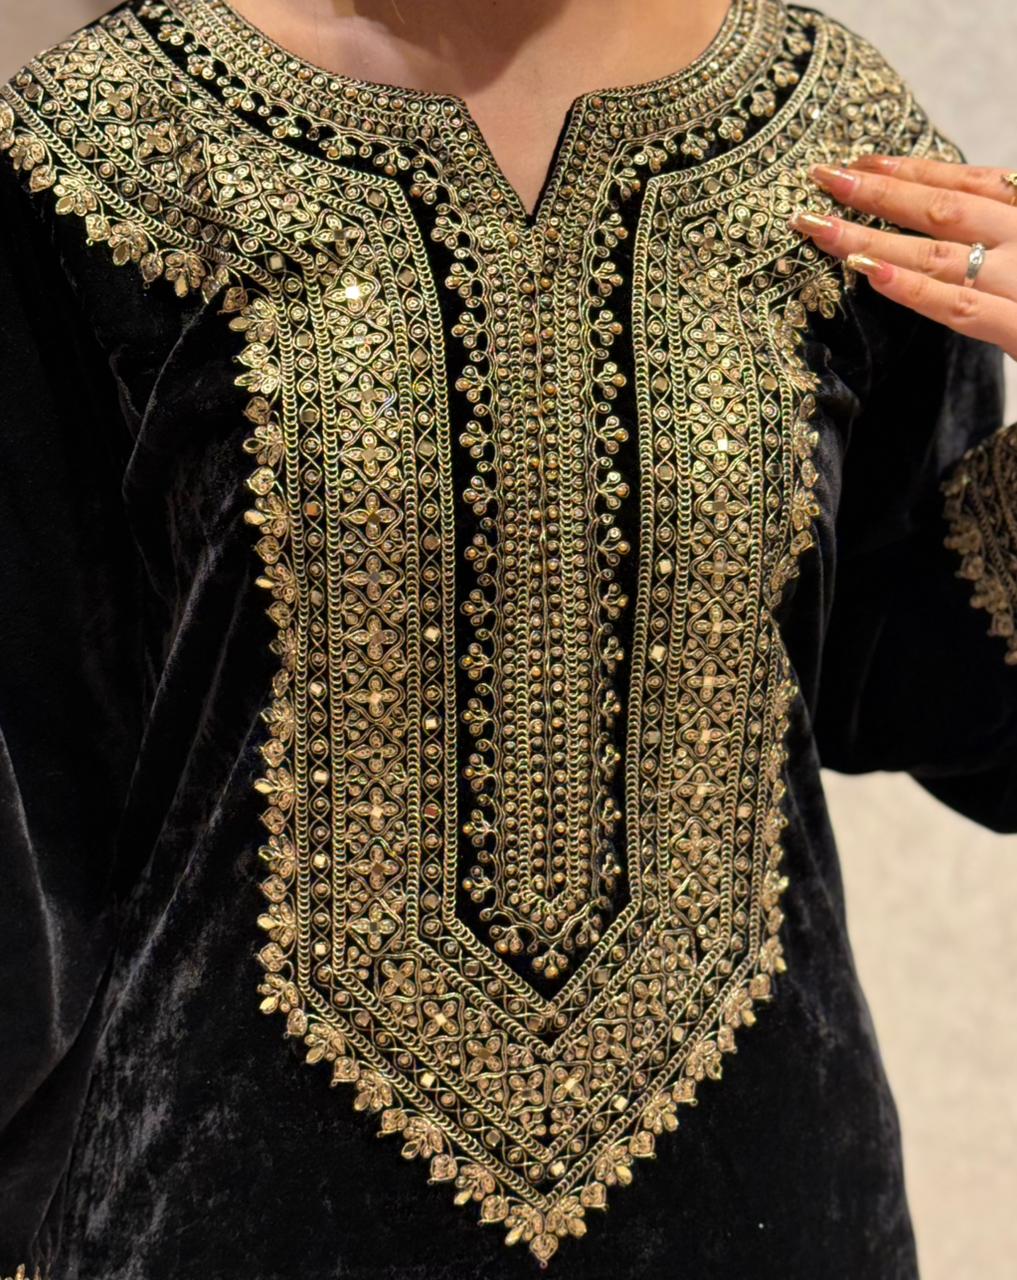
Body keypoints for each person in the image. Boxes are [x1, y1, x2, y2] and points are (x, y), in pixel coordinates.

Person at [0, 1, 1013, 1277]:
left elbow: (914, 687)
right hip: (226, 1208)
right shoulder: (102, 148)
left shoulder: (835, 137)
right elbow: (34, 760)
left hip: (767, 1194)